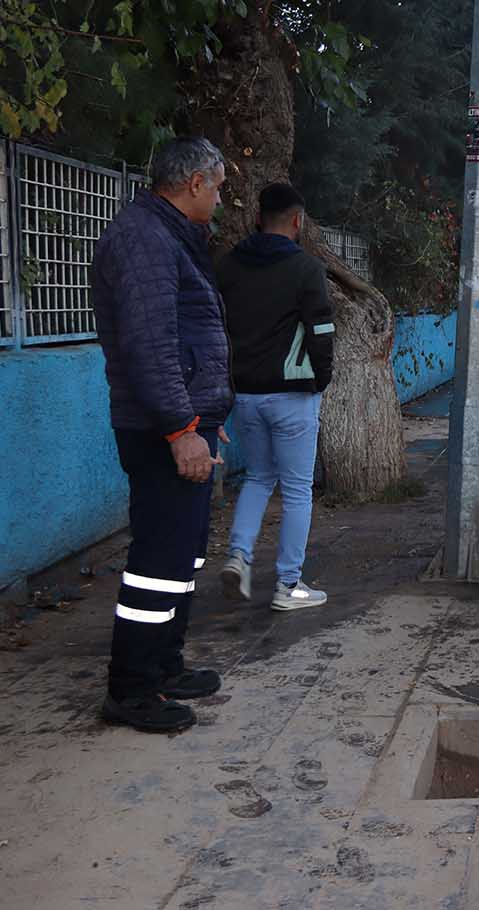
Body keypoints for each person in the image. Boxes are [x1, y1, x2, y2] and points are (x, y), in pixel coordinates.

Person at [91, 137, 233, 733]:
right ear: (195, 183)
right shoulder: (144, 239)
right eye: (219, 187)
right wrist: (181, 429)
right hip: (161, 431)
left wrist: (202, 422)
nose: (222, 200)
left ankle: (164, 665)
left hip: (186, 424)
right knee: (157, 561)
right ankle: (132, 688)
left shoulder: (168, 236)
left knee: (183, 555)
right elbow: (150, 347)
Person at [216, 183, 334, 612]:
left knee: (258, 478)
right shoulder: (306, 269)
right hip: (293, 395)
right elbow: (321, 331)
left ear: (257, 216)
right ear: (298, 221)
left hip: (246, 394)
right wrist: (322, 379)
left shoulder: (228, 267)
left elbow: (216, 329)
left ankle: (238, 557)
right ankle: (288, 585)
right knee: (298, 489)